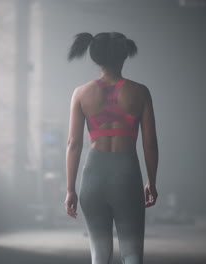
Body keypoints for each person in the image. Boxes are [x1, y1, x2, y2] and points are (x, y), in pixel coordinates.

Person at [64, 32, 159, 264]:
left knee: (99, 255)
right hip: (126, 173)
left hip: (93, 176)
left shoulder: (80, 93)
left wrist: (70, 190)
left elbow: (73, 144)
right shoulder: (140, 92)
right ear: (125, 55)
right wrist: (151, 182)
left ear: (96, 57)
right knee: (132, 253)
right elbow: (150, 142)